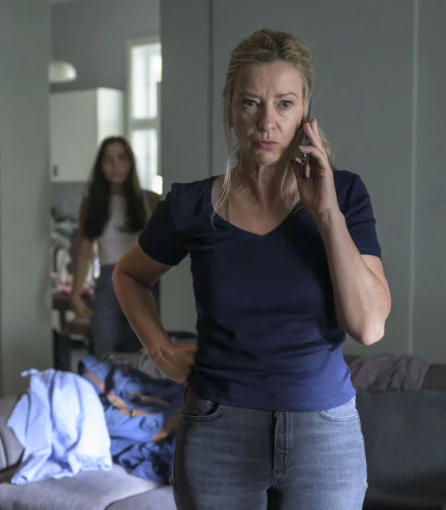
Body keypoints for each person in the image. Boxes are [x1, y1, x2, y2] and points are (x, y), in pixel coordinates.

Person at [112, 28, 391, 510]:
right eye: (251, 103)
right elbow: (129, 275)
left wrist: (326, 214)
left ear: (305, 110)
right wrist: (161, 351)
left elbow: (367, 326)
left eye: (284, 104)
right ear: (230, 108)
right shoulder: (191, 205)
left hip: (324, 435)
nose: (267, 122)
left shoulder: (344, 195)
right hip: (216, 430)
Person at [70, 136, 160, 357]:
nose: (115, 166)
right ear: (100, 165)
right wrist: (75, 293)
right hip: (109, 281)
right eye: (108, 159)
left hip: (143, 281)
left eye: (121, 158)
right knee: (106, 353)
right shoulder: (91, 203)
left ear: (131, 163)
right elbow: (85, 251)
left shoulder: (149, 200)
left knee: (144, 354)